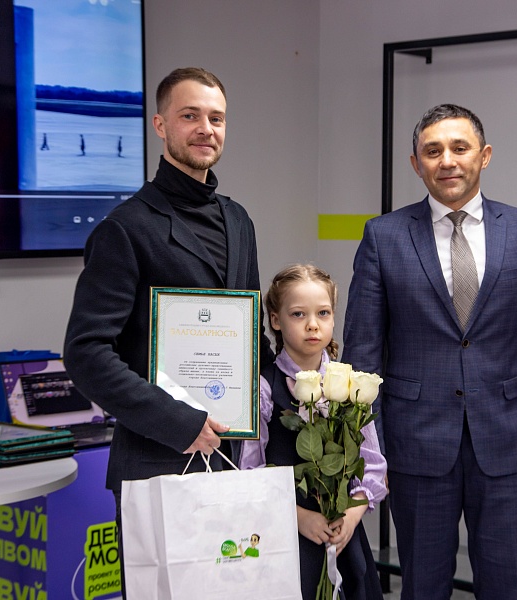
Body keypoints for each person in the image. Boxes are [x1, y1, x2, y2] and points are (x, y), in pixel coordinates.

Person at [342, 104, 517, 600]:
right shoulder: (383, 236)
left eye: (459, 148)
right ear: (416, 164)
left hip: (510, 443)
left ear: (484, 156)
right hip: (415, 443)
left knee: (506, 587)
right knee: (422, 587)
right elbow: (363, 355)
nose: (446, 160)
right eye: (433, 151)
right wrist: (368, 449)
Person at [64, 67, 273, 596]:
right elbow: (87, 352)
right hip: (157, 460)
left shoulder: (239, 221)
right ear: (160, 125)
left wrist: (307, 391)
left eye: (216, 118)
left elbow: (252, 341)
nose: (206, 128)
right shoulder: (125, 228)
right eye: (190, 116)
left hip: (235, 460)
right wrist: (179, 422)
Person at [240, 264, 387, 600]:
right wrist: (299, 517)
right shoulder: (263, 388)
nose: (312, 324)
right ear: (275, 320)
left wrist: (351, 515)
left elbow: (373, 464)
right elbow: (250, 471)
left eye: (323, 313)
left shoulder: (351, 385)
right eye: (298, 314)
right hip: (286, 537)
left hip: (343, 536)